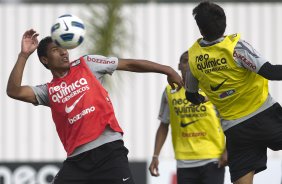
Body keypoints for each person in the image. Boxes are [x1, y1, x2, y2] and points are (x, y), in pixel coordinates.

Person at [6, 29, 183, 184]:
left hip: (109, 152)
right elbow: (14, 91)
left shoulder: (88, 63)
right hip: (77, 161)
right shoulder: (47, 91)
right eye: (55, 50)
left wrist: (168, 70)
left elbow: (128, 64)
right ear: (45, 60)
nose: (63, 52)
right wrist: (23, 55)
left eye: (64, 47)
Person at [185, 1, 282, 184]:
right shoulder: (236, 48)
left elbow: (190, 96)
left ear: (200, 29)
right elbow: (270, 72)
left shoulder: (193, 58)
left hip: (236, 130)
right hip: (265, 115)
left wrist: (205, 98)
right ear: (225, 23)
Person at [149, 51, 227, 184]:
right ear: (179, 66)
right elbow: (163, 125)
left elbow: (229, 120)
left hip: (213, 158)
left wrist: (227, 150)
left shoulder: (210, 88)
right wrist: (155, 155)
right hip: (184, 161)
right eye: (185, 61)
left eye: (193, 62)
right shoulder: (170, 91)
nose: (189, 65)